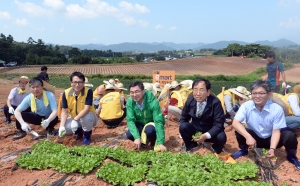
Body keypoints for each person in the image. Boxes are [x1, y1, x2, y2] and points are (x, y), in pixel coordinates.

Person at [231, 80, 300, 170]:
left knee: (289, 135)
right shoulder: (246, 106)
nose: (257, 96)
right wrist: (248, 137)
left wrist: (272, 149)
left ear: (268, 94)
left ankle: (291, 156)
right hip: (255, 140)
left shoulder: (276, 109)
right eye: (254, 93)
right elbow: (235, 123)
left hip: (271, 138)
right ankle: (244, 150)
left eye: (261, 93)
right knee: (240, 130)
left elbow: (276, 131)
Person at [179, 78, 227, 153]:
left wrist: (206, 135)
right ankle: (192, 147)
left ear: (208, 92)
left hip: (211, 132)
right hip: (196, 131)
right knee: (183, 126)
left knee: (221, 137)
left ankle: (214, 149)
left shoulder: (215, 102)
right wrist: (182, 136)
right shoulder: (190, 101)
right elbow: (184, 118)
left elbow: (219, 124)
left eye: (201, 90)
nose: (198, 93)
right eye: (195, 89)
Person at [58, 72, 98, 145]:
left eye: (80, 82)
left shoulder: (88, 91)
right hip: (75, 118)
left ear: (83, 83)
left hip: (90, 117)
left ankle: (87, 135)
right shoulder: (66, 93)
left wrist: (75, 120)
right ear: (71, 83)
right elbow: (64, 111)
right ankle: (79, 132)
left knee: (86, 117)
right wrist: (61, 126)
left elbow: (87, 109)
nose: (77, 85)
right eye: (75, 82)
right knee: (65, 128)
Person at [126, 81, 167, 151]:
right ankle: (142, 141)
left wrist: (161, 142)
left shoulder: (153, 102)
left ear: (143, 91)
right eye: (132, 92)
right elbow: (130, 120)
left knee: (150, 130)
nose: (134, 95)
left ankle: (153, 142)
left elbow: (158, 121)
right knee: (129, 134)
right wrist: (136, 137)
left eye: (137, 91)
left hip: (152, 123)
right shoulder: (130, 101)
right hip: (140, 122)